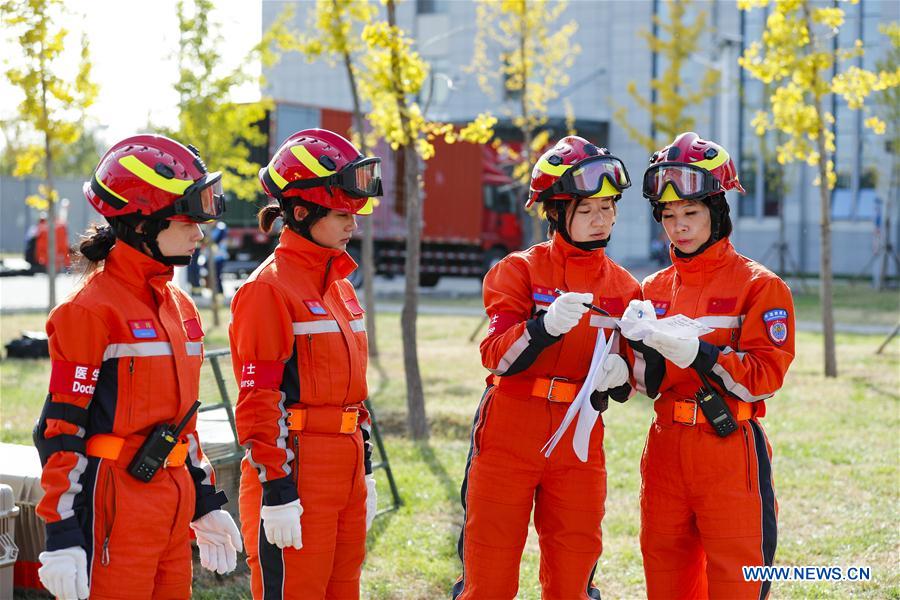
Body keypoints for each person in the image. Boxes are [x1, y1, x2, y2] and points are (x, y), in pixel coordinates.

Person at [33, 134, 242, 600]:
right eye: (188, 221)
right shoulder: (89, 311)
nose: (200, 234)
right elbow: (60, 430)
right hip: (114, 510)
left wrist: (205, 501)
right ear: (143, 223)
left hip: (172, 507)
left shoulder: (181, 307)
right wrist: (62, 532)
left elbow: (185, 425)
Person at [452, 136, 641, 599]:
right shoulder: (518, 271)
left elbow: (633, 374)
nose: (602, 219)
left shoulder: (625, 288)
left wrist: (622, 372)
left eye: (608, 207)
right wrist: (543, 328)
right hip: (509, 431)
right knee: (489, 571)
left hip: (579, 435)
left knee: (574, 570)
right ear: (556, 212)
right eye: (587, 209)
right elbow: (495, 355)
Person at [624, 131, 795, 599]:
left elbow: (765, 377)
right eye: (669, 216)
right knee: (666, 582)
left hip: (728, 448)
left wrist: (700, 354)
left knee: (737, 582)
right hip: (664, 450)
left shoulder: (760, 286)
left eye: (691, 213)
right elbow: (647, 382)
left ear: (717, 212)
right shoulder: (652, 289)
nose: (679, 226)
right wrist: (622, 368)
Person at [230, 128, 382, 599]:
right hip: (298, 470)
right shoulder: (268, 289)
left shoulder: (341, 287)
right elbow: (258, 399)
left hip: (347, 465)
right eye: (342, 214)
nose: (353, 225)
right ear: (301, 212)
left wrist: (366, 466)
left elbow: (354, 390)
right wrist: (277, 490)